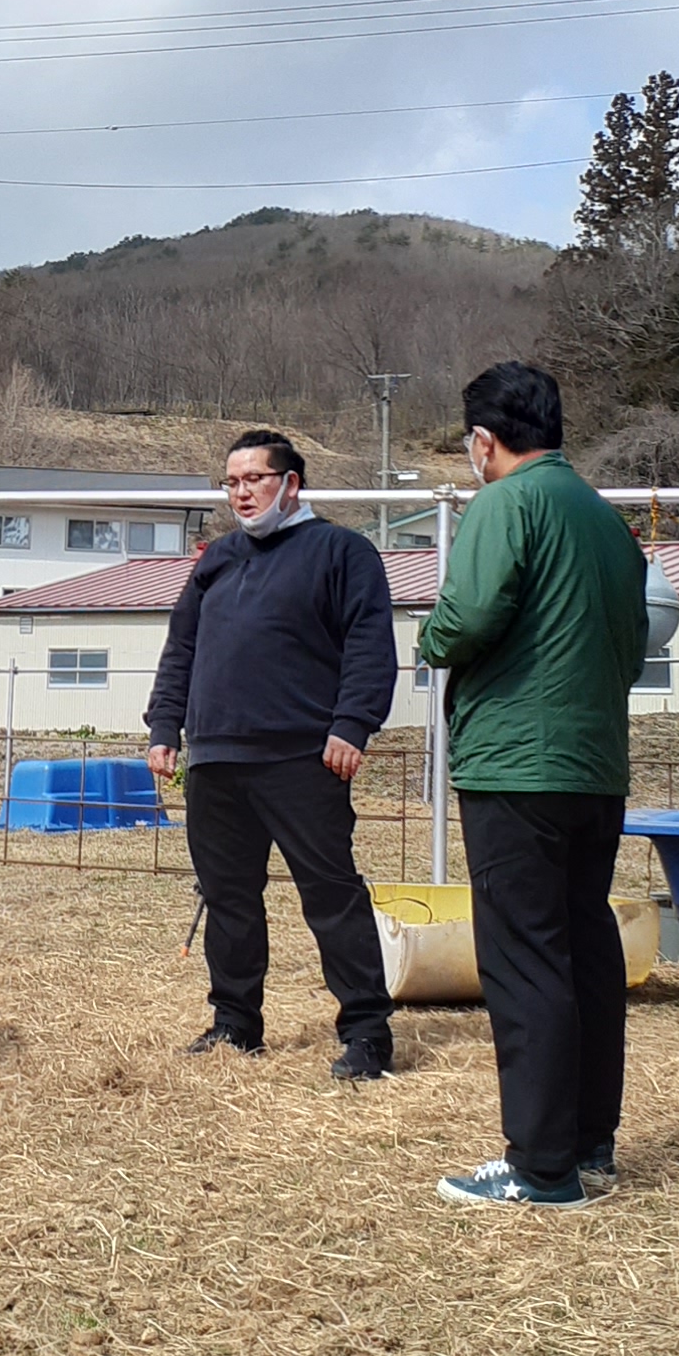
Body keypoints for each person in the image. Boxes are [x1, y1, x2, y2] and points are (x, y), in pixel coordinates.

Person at [420, 363, 649, 1212]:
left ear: (485, 442)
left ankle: (540, 1167)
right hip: (595, 765)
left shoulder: (505, 505)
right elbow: (631, 643)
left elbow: (469, 616)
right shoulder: (605, 519)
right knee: (586, 949)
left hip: (517, 762)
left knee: (524, 959)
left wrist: (431, 637)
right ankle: (590, 1147)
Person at [144, 429, 400, 1080]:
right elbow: (182, 649)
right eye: (231, 483)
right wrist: (164, 727)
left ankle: (367, 1032)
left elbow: (370, 645)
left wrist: (352, 724)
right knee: (229, 897)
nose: (241, 493)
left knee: (331, 894)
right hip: (216, 759)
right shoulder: (217, 560)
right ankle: (235, 1023)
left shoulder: (342, 552)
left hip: (303, 758)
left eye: (254, 479)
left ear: (290, 483)